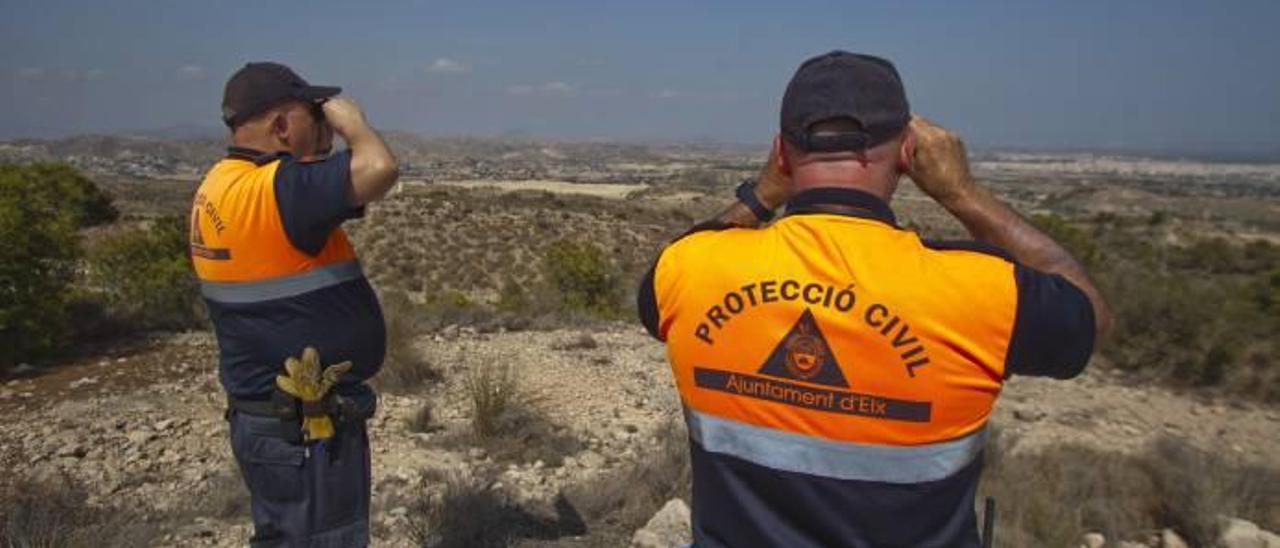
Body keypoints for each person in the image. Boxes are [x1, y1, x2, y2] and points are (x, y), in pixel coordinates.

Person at [637, 50, 1112, 547]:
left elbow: (664, 283)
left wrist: (760, 195)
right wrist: (964, 195)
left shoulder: (690, 269)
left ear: (781, 154)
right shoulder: (981, 290)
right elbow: (1091, 317)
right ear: (910, 153)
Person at [189, 62, 399, 547]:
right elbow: (379, 169)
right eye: (314, 116)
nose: (323, 127)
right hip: (302, 427)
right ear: (281, 126)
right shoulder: (276, 189)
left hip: (267, 417)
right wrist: (353, 123)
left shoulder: (219, 186)